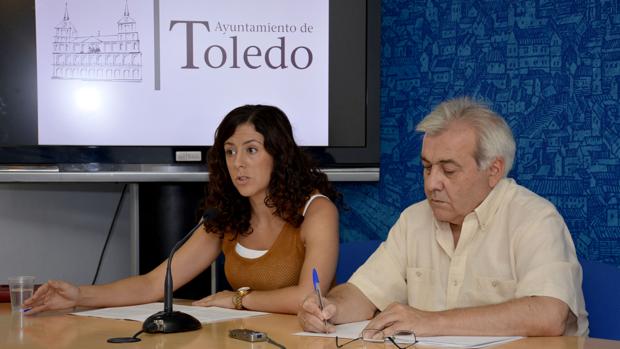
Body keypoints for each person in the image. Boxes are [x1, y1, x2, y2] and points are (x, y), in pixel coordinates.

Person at [298, 97, 588, 338]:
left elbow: (550, 315)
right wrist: (328, 307)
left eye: (448, 171)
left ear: (494, 170)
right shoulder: (414, 220)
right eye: (426, 168)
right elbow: (362, 294)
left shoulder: (535, 218)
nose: (431, 183)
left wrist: (432, 322)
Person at [25, 104, 340, 315]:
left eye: (251, 150)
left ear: (279, 155)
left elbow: (307, 298)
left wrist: (235, 299)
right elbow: (153, 284)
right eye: (229, 152)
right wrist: (79, 296)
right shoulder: (226, 216)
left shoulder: (316, 212)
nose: (238, 163)